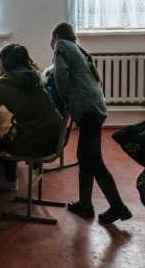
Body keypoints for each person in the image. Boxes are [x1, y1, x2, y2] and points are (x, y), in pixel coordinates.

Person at [49, 22, 132, 224]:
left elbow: (60, 75)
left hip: (87, 107)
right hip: (94, 106)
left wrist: (65, 99)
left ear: (56, 35)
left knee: (93, 159)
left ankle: (118, 207)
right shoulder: (77, 48)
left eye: (51, 38)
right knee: (86, 157)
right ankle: (86, 205)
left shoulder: (61, 45)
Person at [0, 43, 62, 191]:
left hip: (36, 142)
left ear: (3, 62)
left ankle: (10, 178)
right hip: (55, 137)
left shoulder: (3, 84)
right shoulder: (34, 73)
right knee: (14, 128)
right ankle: (23, 168)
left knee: (0, 139)